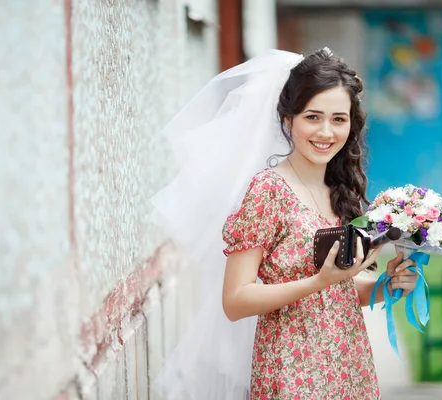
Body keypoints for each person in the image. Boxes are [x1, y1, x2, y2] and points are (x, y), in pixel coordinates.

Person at [151, 48, 419, 400]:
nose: (326, 132)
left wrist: (387, 285)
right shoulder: (267, 190)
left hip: (349, 366)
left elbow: (338, 291)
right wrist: (318, 281)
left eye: (339, 119)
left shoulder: (339, 190)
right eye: (313, 117)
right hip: (292, 372)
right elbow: (235, 300)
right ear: (288, 118)